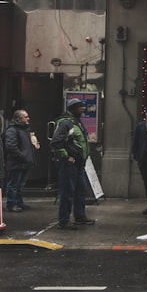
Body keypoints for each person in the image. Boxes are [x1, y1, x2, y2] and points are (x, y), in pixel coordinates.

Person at [51, 98, 94, 229]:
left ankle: (80, 216)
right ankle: (64, 221)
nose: (83, 109)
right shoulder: (66, 123)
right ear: (73, 108)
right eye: (80, 107)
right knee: (67, 192)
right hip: (69, 164)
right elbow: (56, 142)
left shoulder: (76, 122)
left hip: (78, 164)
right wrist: (66, 156)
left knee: (80, 190)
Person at [3, 109, 36, 212]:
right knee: (13, 184)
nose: (28, 118)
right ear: (18, 119)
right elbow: (11, 146)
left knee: (20, 185)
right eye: (25, 117)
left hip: (24, 162)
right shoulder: (12, 130)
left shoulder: (24, 129)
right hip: (16, 162)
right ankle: (11, 204)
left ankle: (19, 202)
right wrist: (23, 156)